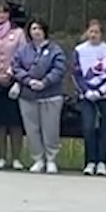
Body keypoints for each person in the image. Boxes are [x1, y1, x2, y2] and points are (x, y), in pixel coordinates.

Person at [15, 19, 66, 174]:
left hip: (50, 95)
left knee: (50, 129)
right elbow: (16, 67)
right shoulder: (23, 50)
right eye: (33, 28)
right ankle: (38, 159)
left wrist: (45, 82)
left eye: (39, 28)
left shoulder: (55, 50)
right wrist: (28, 80)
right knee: (32, 129)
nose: (36, 31)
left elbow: (59, 69)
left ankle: (51, 159)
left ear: (45, 31)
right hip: (28, 95)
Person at [0, 1, 26, 169]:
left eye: (5, 12)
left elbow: (22, 56)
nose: (1, 15)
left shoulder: (18, 33)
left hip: (13, 81)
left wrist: (11, 74)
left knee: (15, 122)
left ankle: (16, 157)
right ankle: (1, 156)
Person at [74, 19, 106, 176]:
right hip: (86, 96)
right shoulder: (80, 50)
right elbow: (77, 73)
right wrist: (86, 91)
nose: (93, 35)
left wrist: (101, 91)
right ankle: (90, 161)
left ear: (102, 34)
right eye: (91, 32)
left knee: (104, 127)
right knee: (88, 127)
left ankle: (101, 162)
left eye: (96, 32)